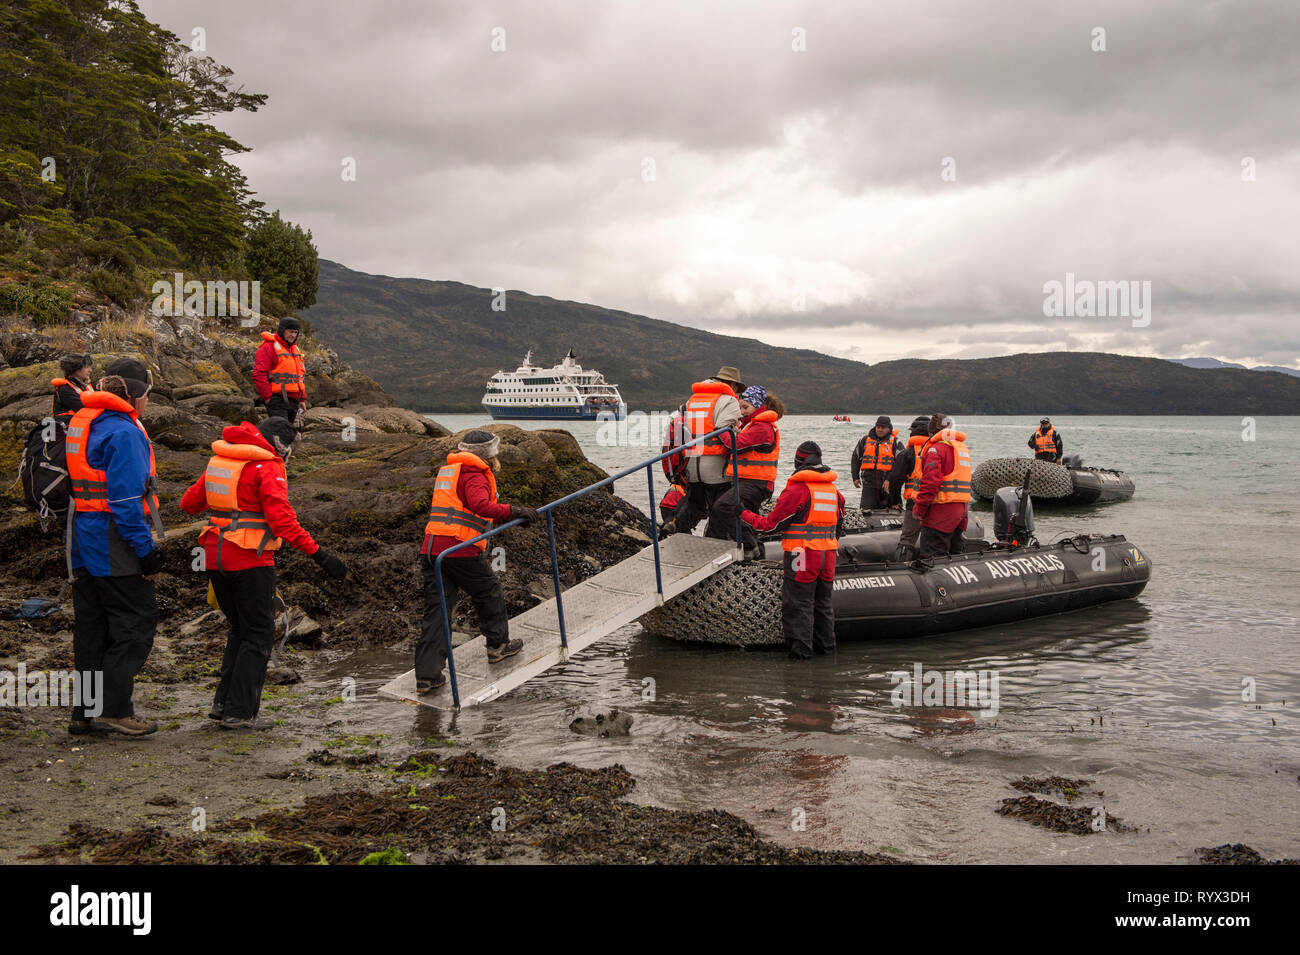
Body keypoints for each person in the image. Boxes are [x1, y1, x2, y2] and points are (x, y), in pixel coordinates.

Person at [179, 417, 348, 730]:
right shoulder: (267, 466)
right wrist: (320, 555)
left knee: (239, 630)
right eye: (290, 449)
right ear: (279, 443)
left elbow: (189, 503)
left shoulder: (220, 459)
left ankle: (222, 705)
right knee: (258, 635)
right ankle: (239, 714)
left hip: (215, 558)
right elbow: (283, 521)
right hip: (250, 561)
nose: (289, 455)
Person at [65, 360, 164, 736]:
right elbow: (124, 501)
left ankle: (84, 712)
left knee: (92, 630)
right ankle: (114, 709)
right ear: (134, 394)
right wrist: (146, 551)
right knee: (135, 626)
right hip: (112, 543)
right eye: (146, 394)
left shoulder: (85, 421)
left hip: (80, 541)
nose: (148, 401)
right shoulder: (124, 433)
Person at [415, 430, 540, 694]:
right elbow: (480, 505)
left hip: (432, 550)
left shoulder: (450, 470)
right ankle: (498, 646)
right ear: (488, 454)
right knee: (489, 591)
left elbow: (461, 509)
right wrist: (515, 511)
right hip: (458, 550)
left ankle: (428, 676)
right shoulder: (475, 474)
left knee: (437, 613)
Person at [740, 441, 844, 660]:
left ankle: (801, 655)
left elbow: (771, 525)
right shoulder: (833, 490)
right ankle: (827, 651)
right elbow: (839, 525)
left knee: (798, 604)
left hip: (803, 555)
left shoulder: (798, 490)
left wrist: (743, 514)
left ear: (799, 461)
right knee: (823, 604)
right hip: (828, 556)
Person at [661, 366, 744, 539]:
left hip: (691, 463)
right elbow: (725, 431)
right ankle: (718, 543)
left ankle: (676, 528)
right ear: (732, 384)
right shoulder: (728, 400)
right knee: (720, 507)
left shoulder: (693, 400)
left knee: (695, 503)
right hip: (716, 466)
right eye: (737, 388)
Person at [708, 385, 783, 558]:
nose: (741, 412)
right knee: (745, 513)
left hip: (757, 483)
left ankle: (750, 545)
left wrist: (720, 430)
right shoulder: (752, 425)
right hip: (749, 481)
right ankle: (756, 551)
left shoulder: (762, 427)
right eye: (740, 407)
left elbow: (734, 445)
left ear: (758, 406)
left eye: (745, 407)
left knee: (723, 506)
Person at [913, 414, 972, 559]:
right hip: (961, 513)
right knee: (955, 555)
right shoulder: (960, 448)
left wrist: (919, 509)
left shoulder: (936, 450)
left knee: (932, 557)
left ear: (931, 432)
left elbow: (930, 483)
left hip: (940, 514)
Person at [886, 415, 932, 560]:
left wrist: (895, 501)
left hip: (915, 504)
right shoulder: (940, 450)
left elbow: (895, 480)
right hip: (937, 503)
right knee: (932, 539)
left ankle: (901, 568)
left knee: (907, 540)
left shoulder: (908, 453)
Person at [253, 316, 308, 425]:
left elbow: (299, 376)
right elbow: (259, 374)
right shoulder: (268, 347)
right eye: (290, 332)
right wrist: (267, 398)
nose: (293, 335)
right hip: (277, 399)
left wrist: (302, 399)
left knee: (286, 431)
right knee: (280, 430)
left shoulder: (295, 349)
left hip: (294, 400)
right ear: (282, 330)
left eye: (295, 332)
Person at [851, 416, 901, 510]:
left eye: (883, 428)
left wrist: (889, 479)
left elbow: (901, 464)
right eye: (878, 427)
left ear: (889, 428)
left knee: (894, 510)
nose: (880, 430)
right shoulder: (865, 440)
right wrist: (855, 477)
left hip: (888, 484)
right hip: (869, 484)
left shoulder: (896, 442)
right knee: (865, 511)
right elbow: (855, 458)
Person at [50, 354, 94, 422]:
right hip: (69, 428)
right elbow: (83, 409)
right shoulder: (65, 389)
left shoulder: (83, 386)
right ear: (76, 369)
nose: (90, 370)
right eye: (86, 367)